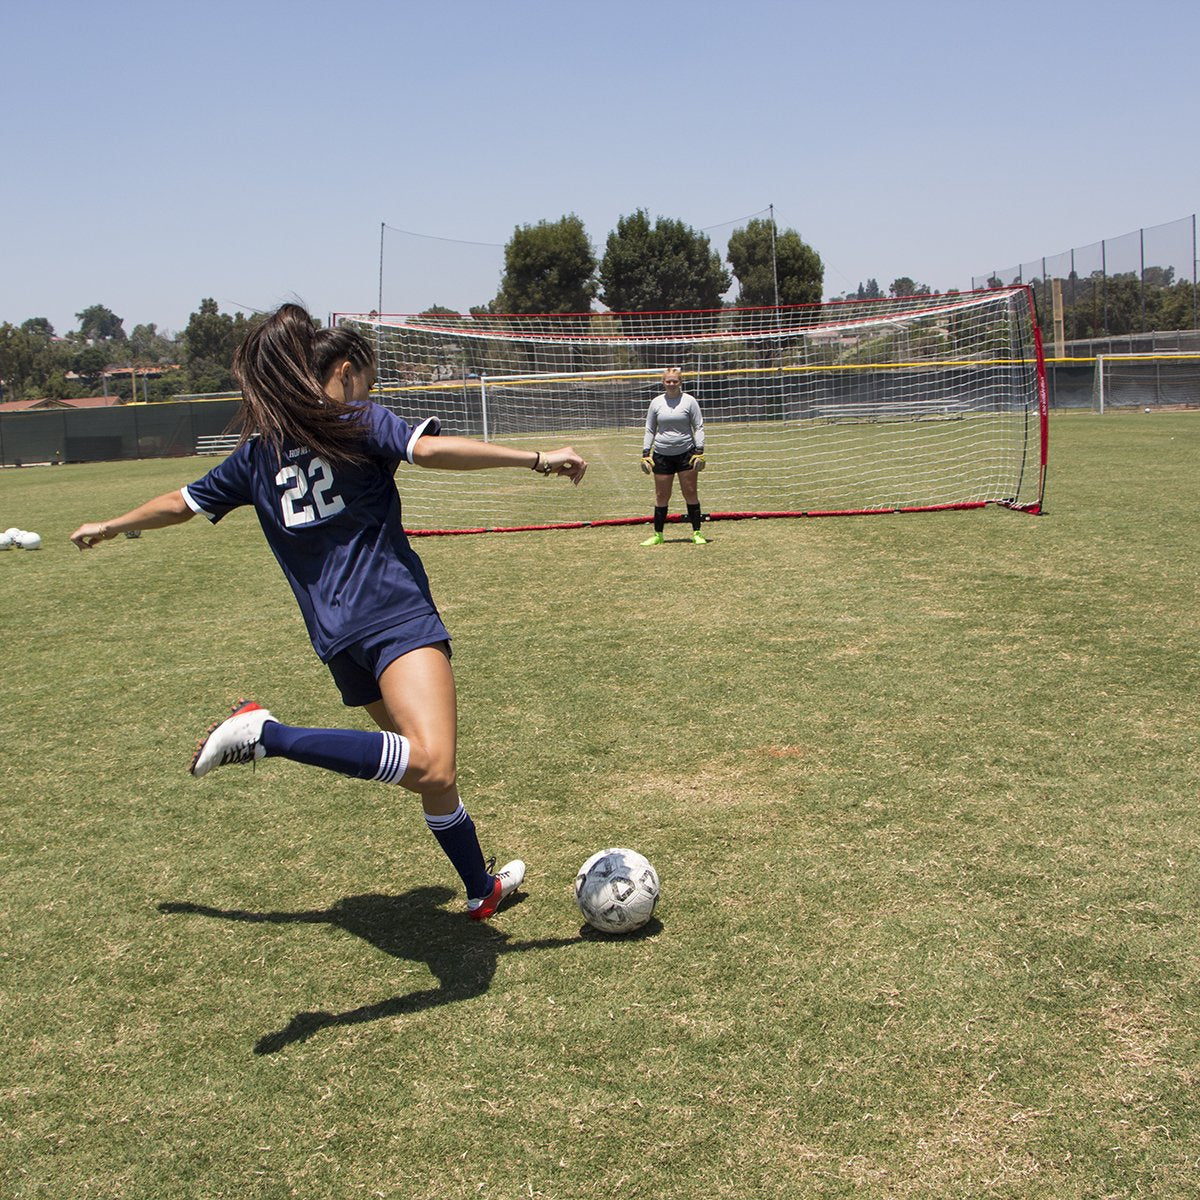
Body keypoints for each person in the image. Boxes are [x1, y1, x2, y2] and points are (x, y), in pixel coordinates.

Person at [70, 303, 587, 921]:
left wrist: (109, 524)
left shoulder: (258, 454)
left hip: (337, 639)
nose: (369, 391)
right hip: (394, 614)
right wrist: (535, 459)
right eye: (366, 378)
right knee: (431, 760)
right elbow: (433, 451)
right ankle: (268, 734)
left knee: (430, 774)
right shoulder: (353, 419)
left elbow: (179, 503)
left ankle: (480, 889)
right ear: (345, 371)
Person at [640, 367, 707, 546]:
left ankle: (697, 532)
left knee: (690, 492)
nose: (671, 384)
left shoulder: (689, 401)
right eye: (668, 381)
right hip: (661, 454)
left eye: (675, 381)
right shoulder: (656, 403)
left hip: (687, 453)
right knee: (662, 495)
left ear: (680, 382)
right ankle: (658, 535)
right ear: (663, 382)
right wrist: (646, 452)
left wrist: (699, 450)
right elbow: (650, 428)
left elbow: (698, 426)